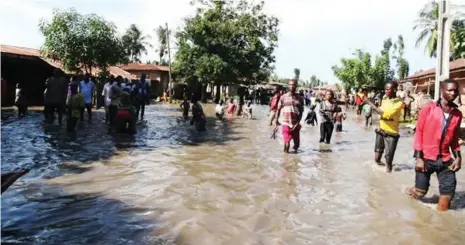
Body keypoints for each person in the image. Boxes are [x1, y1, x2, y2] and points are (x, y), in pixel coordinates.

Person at [406, 79, 462, 211]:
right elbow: (419, 132)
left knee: (447, 195)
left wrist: (458, 157)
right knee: (420, 193)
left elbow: (454, 139)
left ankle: (440, 225)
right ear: (442, 90)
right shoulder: (429, 108)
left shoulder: (457, 114)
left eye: (455, 90)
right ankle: (409, 193)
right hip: (426, 158)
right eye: (449, 90)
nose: (453, 93)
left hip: (445, 160)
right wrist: (419, 157)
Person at [364, 81, 403, 172]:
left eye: (388, 89)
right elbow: (380, 112)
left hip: (391, 134)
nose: (385, 91)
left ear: (394, 90)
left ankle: (389, 175)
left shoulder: (399, 103)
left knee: (388, 160)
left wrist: (370, 103)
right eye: (385, 89)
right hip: (381, 131)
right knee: (377, 159)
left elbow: (385, 114)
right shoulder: (385, 99)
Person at [274, 79, 304, 153]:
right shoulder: (283, 97)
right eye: (290, 84)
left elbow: (301, 112)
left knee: (296, 145)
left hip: (295, 124)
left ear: (296, 86)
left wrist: (297, 123)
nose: (291, 86)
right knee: (286, 144)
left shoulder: (300, 98)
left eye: (293, 85)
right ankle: (286, 161)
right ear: (288, 86)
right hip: (286, 123)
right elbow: (278, 109)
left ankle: (294, 162)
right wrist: (276, 122)